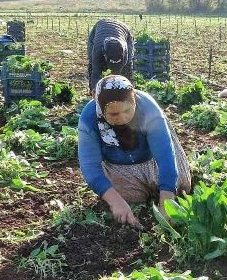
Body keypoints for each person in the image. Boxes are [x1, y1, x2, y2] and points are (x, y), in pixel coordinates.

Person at [78, 75, 191, 226]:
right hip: (120, 165)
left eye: (127, 110)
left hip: (151, 158)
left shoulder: (149, 109)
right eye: (113, 114)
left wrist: (167, 197)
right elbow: (90, 166)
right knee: (128, 199)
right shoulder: (89, 119)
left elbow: (165, 155)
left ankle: (159, 187)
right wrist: (116, 202)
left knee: (181, 186)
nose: (123, 118)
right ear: (100, 106)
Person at [87, 19, 134, 93]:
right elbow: (96, 74)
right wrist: (96, 94)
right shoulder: (98, 49)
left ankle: (127, 92)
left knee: (127, 67)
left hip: (123, 29)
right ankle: (92, 91)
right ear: (105, 55)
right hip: (100, 28)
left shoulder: (124, 50)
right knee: (93, 64)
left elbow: (121, 74)